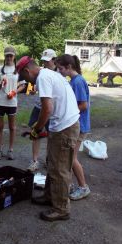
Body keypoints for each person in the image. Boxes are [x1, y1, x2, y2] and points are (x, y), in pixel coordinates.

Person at [16, 56, 80, 222]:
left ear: (27, 71)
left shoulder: (43, 78)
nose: (26, 81)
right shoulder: (49, 74)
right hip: (63, 125)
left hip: (65, 127)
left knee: (60, 169)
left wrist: (37, 130)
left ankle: (61, 209)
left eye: (24, 77)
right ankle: (50, 196)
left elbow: (47, 109)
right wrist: (38, 130)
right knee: (53, 163)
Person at [56, 54, 91, 200]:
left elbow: (83, 105)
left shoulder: (78, 82)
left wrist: (67, 113)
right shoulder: (73, 81)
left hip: (80, 126)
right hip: (76, 124)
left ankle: (83, 187)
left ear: (69, 67)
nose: (59, 72)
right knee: (69, 157)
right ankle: (69, 185)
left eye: (60, 69)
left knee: (72, 158)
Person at [0, 46, 26, 161]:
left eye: (11, 55)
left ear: (14, 56)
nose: (9, 57)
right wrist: (0, 83)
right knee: (0, 127)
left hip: (12, 102)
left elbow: (23, 85)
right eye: (7, 55)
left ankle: (10, 150)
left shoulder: (18, 70)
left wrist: (14, 92)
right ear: (4, 56)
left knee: (12, 127)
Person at [27, 49, 57, 172]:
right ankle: (34, 161)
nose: (45, 64)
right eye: (44, 61)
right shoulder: (40, 72)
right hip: (38, 107)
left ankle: (49, 160)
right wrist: (35, 90)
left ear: (54, 60)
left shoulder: (59, 73)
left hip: (51, 109)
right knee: (35, 133)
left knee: (52, 135)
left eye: (48, 61)